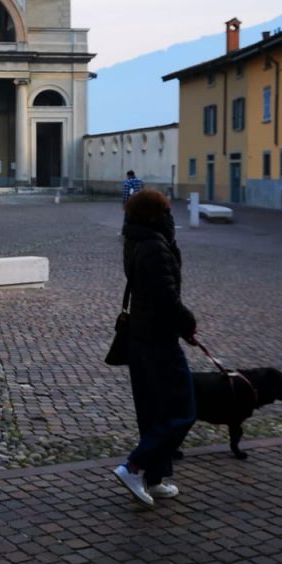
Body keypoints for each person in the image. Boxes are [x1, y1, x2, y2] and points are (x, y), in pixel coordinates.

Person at [113, 188, 198, 508]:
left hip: (140, 336)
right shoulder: (156, 247)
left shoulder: (136, 241)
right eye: (165, 211)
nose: (170, 215)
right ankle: (134, 467)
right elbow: (166, 298)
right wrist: (188, 323)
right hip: (159, 338)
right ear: (156, 215)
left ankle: (155, 476)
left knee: (153, 410)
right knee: (182, 409)